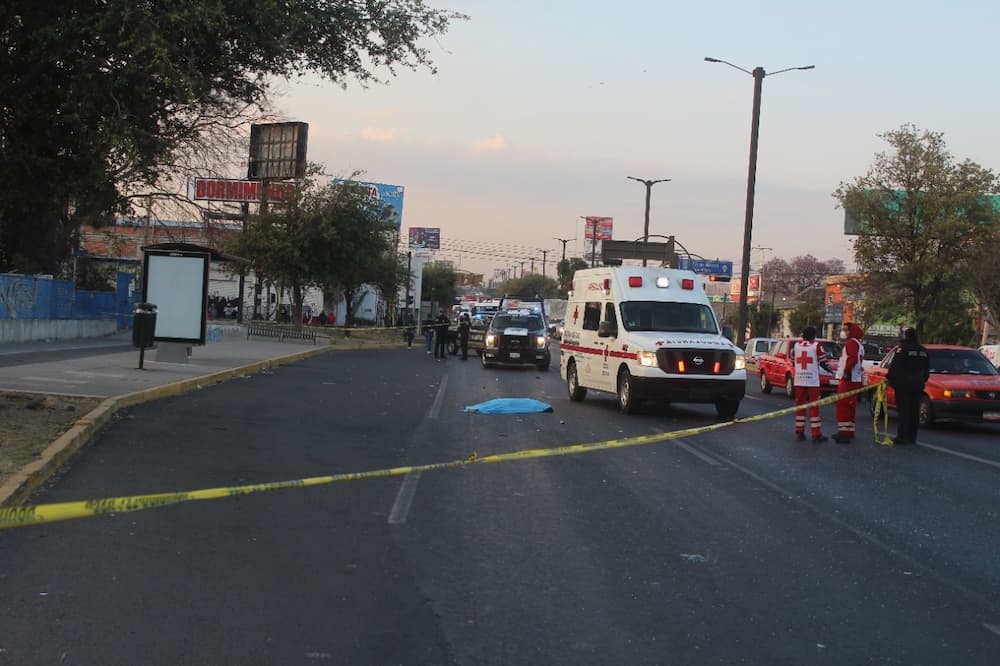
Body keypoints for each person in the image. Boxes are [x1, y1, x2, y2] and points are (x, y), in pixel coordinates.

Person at [887, 327, 930, 445]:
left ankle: (902, 436)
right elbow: (926, 369)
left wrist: (890, 380)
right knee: (914, 411)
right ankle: (912, 437)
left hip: (903, 384)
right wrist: (922, 380)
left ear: (906, 336)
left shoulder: (902, 349)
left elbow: (895, 366)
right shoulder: (923, 350)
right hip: (918, 384)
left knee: (904, 411)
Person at [792, 326, 830, 443]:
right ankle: (816, 433)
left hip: (799, 380)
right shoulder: (816, 346)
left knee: (800, 407)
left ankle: (799, 431)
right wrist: (832, 372)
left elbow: (794, 360)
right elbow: (823, 363)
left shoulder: (796, 346)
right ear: (813, 335)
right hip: (812, 381)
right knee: (814, 407)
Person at [833, 322, 865, 443]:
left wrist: (846, 372)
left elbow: (851, 359)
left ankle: (843, 433)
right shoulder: (858, 343)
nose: (844, 332)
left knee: (843, 405)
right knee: (851, 406)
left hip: (848, 379)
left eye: (846, 330)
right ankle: (849, 430)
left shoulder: (851, 343)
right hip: (855, 378)